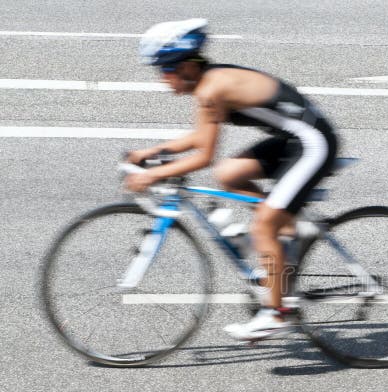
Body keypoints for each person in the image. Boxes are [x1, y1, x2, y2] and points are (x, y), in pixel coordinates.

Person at [126, 19, 338, 341]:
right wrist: (152, 152)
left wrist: (154, 173)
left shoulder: (213, 89)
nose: (163, 80)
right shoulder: (207, 83)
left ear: (184, 67)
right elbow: (201, 137)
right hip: (292, 139)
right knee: (228, 173)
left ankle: (276, 313)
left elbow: (203, 155)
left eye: (164, 71)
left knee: (263, 225)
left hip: (312, 143)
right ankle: (287, 234)